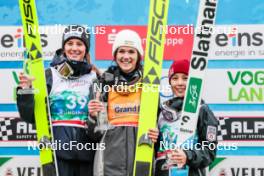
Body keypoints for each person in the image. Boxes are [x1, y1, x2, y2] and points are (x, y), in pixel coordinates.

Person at [16, 25, 99, 176]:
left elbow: (101, 121)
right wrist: (26, 90)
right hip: (57, 156)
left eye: (79, 44)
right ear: (64, 47)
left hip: (88, 156)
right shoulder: (49, 75)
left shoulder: (93, 78)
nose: (75, 48)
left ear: (86, 49)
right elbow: (29, 117)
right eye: (70, 43)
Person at [88, 29, 159, 176]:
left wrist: (157, 134)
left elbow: (160, 128)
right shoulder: (102, 84)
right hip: (107, 166)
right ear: (115, 55)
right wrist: (93, 117)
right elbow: (94, 135)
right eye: (121, 51)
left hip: (141, 162)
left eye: (131, 52)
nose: (126, 56)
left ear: (138, 56)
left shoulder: (149, 85)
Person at [155, 59, 218, 176]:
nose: (180, 83)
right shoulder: (162, 112)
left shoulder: (202, 110)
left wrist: (187, 155)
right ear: (169, 82)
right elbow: (154, 150)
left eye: (185, 78)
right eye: (175, 78)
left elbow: (209, 152)